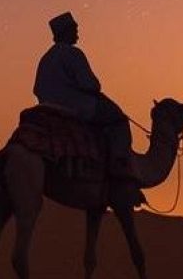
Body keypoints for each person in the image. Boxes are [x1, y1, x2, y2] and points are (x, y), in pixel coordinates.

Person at [33, 11, 133, 176]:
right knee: (118, 118)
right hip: (77, 107)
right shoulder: (72, 54)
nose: (77, 32)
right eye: (74, 29)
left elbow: (37, 89)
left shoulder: (46, 58)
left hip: (48, 109)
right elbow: (90, 84)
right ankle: (120, 169)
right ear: (66, 32)